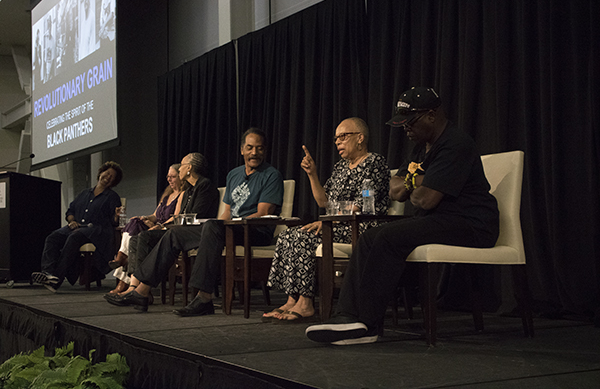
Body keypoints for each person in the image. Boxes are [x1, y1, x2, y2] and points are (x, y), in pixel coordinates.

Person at [305, 87, 500, 345]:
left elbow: (426, 199)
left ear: (431, 115)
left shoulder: (455, 144)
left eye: (410, 122)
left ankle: (368, 326)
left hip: (471, 224)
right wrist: (417, 181)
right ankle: (348, 315)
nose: (405, 130)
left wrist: (413, 184)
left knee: (386, 238)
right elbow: (395, 190)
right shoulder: (422, 147)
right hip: (439, 220)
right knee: (369, 237)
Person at [106, 128, 284, 314]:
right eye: (250, 148)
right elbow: (227, 213)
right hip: (228, 228)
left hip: (254, 231)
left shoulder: (271, 175)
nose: (254, 153)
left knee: (213, 226)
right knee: (174, 233)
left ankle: (204, 298)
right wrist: (218, 224)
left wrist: (221, 225)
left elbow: (263, 213)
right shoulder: (234, 175)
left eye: (259, 148)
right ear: (242, 150)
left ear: (265, 150)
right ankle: (142, 291)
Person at [264, 117, 390, 323]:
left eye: (343, 137)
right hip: (336, 224)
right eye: (336, 138)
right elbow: (324, 202)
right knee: (288, 236)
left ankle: (305, 303)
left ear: (360, 138)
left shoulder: (374, 162)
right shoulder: (340, 167)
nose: (338, 142)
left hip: (361, 226)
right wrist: (312, 174)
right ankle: (291, 298)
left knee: (304, 239)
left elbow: (360, 205)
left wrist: (328, 223)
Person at [105, 152, 220, 300]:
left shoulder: (205, 185)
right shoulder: (189, 190)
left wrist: (163, 226)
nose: (179, 171)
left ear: (189, 168)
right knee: (142, 236)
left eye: (181, 166)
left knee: (153, 237)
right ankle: (136, 287)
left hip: (196, 232)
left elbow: (195, 215)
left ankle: (141, 290)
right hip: (181, 231)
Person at [32, 161, 124, 292]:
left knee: (74, 237)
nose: (108, 177)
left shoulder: (112, 197)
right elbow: (70, 211)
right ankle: (48, 273)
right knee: (53, 237)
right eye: (107, 173)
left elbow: (114, 222)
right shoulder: (84, 193)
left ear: (114, 182)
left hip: (96, 231)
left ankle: (56, 279)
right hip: (77, 227)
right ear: (101, 173)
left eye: (112, 177)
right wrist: (71, 221)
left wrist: (116, 216)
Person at [108, 163, 183, 294]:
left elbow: (175, 217)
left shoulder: (182, 195)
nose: (169, 179)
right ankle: (123, 261)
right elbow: (155, 215)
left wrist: (159, 226)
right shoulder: (167, 195)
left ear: (180, 177)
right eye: (168, 176)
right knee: (135, 221)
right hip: (153, 228)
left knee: (135, 241)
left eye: (173, 176)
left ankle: (122, 262)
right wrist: (144, 217)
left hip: (164, 230)